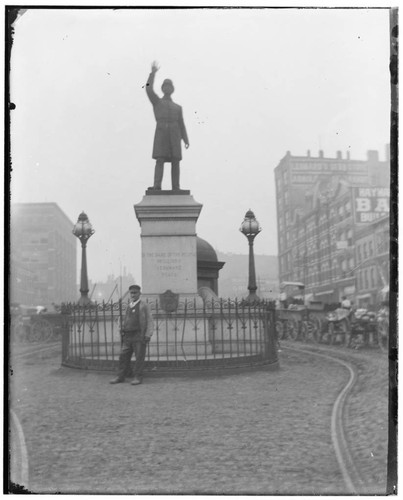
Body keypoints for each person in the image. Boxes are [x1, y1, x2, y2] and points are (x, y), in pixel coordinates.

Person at [145, 61, 189, 190]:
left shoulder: (177, 108)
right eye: (165, 86)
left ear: (172, 89)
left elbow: (182, 124)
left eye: (170, 86)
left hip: (175, 134)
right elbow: (148, 89)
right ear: (162, 88)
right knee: (160, 159)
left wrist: (185, 139)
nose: (167, 88)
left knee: (176, 161)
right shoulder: (157, 102)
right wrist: (152, 74)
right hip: (162, 132)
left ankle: (176, 187)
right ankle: (157, 185)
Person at [110, 285, 154, 386]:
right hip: (127, 336)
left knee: (139, 358)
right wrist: (121, 327)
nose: (133, 294)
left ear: (139, 293)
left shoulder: (144, 305)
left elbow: (150, 320)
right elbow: (124, 319)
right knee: (123, 357)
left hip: (139, 335)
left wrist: (148, 334)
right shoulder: (128, 306)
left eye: (135, 292)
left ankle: (138, 377)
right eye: (131, 293)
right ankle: (120, 376)